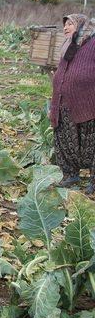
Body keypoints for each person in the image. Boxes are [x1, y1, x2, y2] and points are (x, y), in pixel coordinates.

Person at [49, 14, 95, 193]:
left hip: (88, 103)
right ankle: (70, 175)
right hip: (64, 102)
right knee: (64, 139)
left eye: (70, 24)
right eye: (64, 25)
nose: (65, 28)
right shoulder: (69, 46)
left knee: (91, 143)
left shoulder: (92, 44)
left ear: (81, 26)